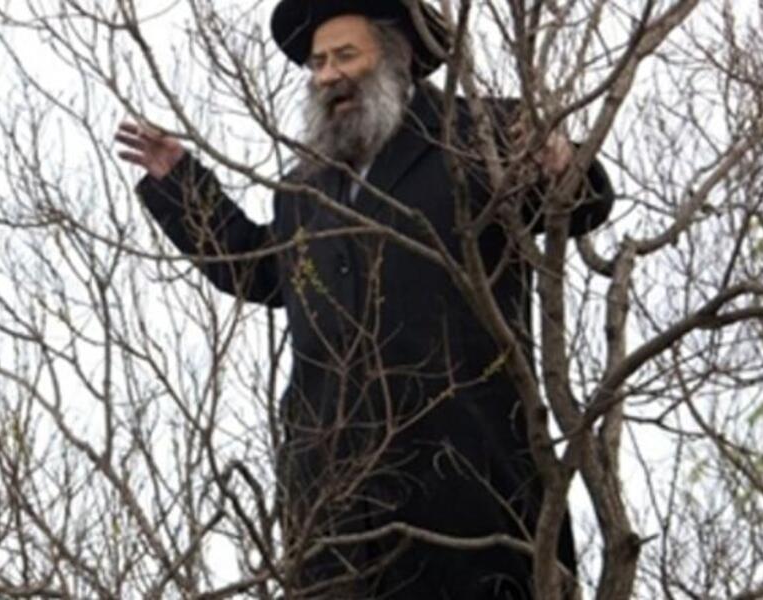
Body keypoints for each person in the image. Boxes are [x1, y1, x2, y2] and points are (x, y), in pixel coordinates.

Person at [115, 1, 614, 597]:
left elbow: (578, 204)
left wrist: (560, 164)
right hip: (334, 505)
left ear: (396, 59)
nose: (328, 74)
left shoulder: (476, 134)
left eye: (346, 55)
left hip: (471, 487)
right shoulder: (305, 188)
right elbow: (257, 269)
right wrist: (183, 183)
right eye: (319, 62)